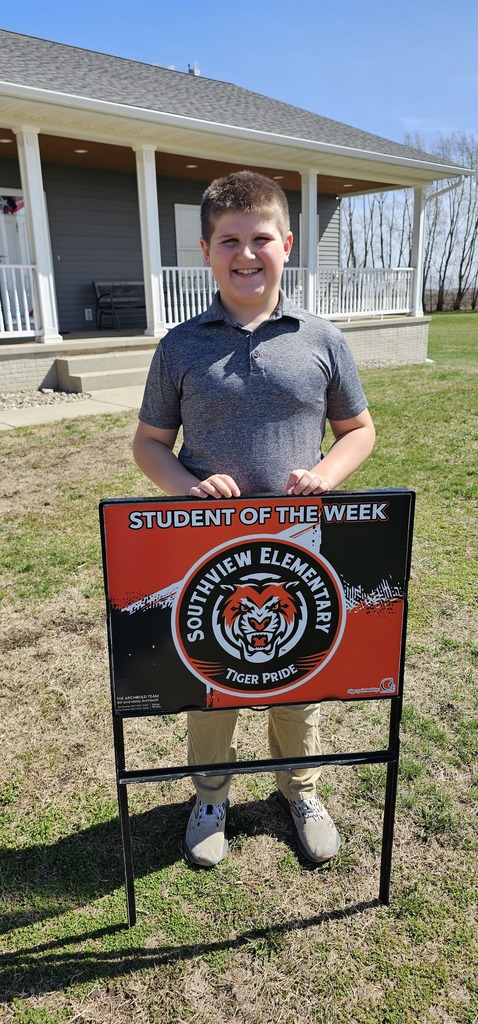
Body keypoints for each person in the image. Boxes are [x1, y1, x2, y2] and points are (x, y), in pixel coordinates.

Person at [133, 170, 375, 868]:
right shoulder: (180, 346)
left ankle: (299, 789)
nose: (247, 253)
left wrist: (325, 475)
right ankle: (210, 795)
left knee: (296, 673)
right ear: (207, 250)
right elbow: (150, 445)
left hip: (300, 545)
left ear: (287, 245)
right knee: (212, 680)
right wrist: (186, 486)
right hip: (207, 551)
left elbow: (359, 429)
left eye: (260, 238)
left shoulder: (321, 337)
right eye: (229, 240)